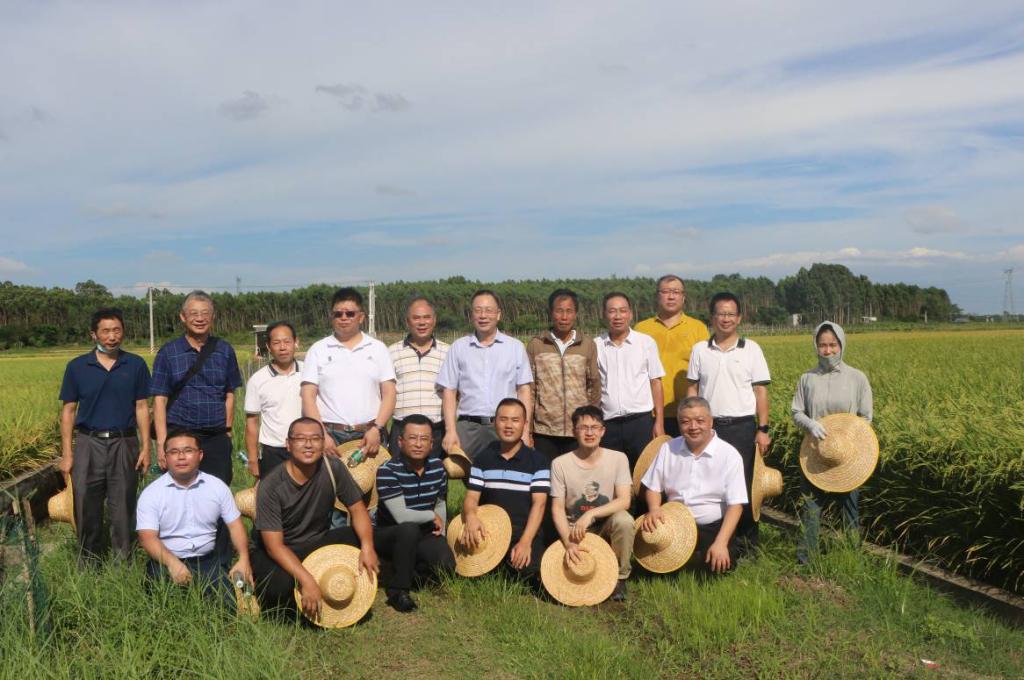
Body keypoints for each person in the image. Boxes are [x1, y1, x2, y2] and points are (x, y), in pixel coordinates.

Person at [250, 417, 380, 619]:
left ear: (323, 442)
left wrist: (368, 546)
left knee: (372, 537)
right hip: (280, 549)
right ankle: (255, 589)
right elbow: (274, 547)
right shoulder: (271, 485)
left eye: (315, 439)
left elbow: (357, 509)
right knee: (280, 588)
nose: (308, 444)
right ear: (288, 444)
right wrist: (307, 580)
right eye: (300, 439)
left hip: (316, 541)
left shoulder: (333, 468)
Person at [58, 308, 151, 562]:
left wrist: (146, 447)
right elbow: (68, 411)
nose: (112, 336)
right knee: (85, 502)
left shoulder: (135, 364)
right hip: (88, 442)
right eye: (106, 331)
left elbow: (142, 407)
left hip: (124, 442)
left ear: (123, 332)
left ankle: (123, 562)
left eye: (117, 330)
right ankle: (88, 561)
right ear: (94, 334)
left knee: (123, 504)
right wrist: (67, 453)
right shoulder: (77, 367)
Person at [686, 292, 770, 550]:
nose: (726, 319)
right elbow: (692, 389)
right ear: (712, 317)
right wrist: (691, 421)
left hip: (742, 427)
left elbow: (760, 391)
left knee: (744, 485)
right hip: (708, 429)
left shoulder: (751, 349)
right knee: (711, 484)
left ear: (739, 318)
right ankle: (714, 540)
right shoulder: (700, 350)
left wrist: (763, 428)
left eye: (731, 314)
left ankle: (747, 543)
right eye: (721, 314)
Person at [792, 321, 873, 564]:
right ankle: (806, 560)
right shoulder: (807, 378)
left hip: (848, 454)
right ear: (815, 346)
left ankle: (852, 557)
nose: (827, 351)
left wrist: (848, 437)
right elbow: (796, 412)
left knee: (849, 506)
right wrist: (810, 424)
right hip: (815, 451)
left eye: (833, 345)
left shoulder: (857, 378)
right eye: (822, 345)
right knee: (811, 507)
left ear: (842, 345)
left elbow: (866, 417)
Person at [136, 431, 253, 597]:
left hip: (207, 561)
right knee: (159, 601)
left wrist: (243, 558)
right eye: (174, 452)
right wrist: (173, 564)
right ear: (165, 457)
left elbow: (235, 526)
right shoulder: (152, 493)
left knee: (226, 605)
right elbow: (147, 538)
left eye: (188, 450)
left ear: (200, 455)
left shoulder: (217, 487)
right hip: (165, 560)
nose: (181, 457)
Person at [641, 397, 747, 574]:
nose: (693, 427)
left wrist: (721, 543)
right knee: (655, 572)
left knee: (716, 571)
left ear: (710, 421)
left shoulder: (729, 455)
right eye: (685, 422)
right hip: (672, 525)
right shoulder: (668, 448)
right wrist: (654, 509)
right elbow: (653, 487)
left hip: (712, 526)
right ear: (679, 424)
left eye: (700, 421)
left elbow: (736, 505)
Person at [151, 290, 242, 486]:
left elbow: (229, 394)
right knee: (178, 492)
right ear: (183, 317)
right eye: (193, 314)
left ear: (213, 316)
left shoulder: (225, 350)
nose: (200, 319)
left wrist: (227, 432)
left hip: (215, 437)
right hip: (180, 437)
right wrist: (162, 442)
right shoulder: (168, 352)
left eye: (205, 313)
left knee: (217, 491)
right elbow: (159, 400)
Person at [550, 405, 634, 601]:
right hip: (575, 532)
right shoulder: (560, 464)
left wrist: (591, 514)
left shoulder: (618, 459)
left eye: (594, 427)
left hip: (605, 526)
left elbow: (624, 500)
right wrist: (568, 542)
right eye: (583, 427)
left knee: (624, 520)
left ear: (603, 431)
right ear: (574, 431)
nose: (589, 433)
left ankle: (620, 577)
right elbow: (557, 508)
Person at [459, 398, 549, 581]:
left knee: (528, 573)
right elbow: (471, 498)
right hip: (489, 531)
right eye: (503, 419)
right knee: (475, 574)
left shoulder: (538, 461)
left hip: (523, 530)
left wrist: (525, 542)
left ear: (524, 424)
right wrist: (471, 517)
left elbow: (539, 505)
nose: (508, 426)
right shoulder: (483, 458)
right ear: (495, 422)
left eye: (515, 420)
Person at [438, 289, 533, 461]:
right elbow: (449, 391)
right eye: (478, 310)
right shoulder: (458, 347)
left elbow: (524, 390)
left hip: (505, 426)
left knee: (506, 472)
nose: (483, 316)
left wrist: (525, 431)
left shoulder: (515, 347)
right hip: (468, 428)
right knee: (466, 474)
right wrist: (450, 431)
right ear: (471, 315)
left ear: (498, 314)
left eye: (489, 310)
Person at [373, 414, 456, 612]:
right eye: (412, 438)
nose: (418, 444)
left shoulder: (438, 468)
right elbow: (401, 516)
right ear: (400, 442)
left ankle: (401, 570)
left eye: (424, 439)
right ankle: (398, 591)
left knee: (445, 565)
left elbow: (439, 503)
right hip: (390, 532)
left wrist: (441, 533)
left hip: (424, 531)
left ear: (431, 443)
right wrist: (431, 516)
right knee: (408, 529)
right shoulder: (387, 470)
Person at [301, 287, 396, 458]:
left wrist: (377, 428)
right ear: (331, 317)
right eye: (338, 314)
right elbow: (308, 396)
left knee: (373, 476)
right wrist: (321, 434)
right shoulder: (318, 350)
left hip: (370, 434)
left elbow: (389, 394)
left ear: (361, 317)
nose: (344, 318)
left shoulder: (378, 349)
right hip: (330, 436)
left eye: (350, 314)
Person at [526, 288, 601, 462]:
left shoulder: (587, 345)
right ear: (551, 313)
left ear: (576, 314)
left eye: (569, 311)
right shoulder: (537, 345)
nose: (564, 317)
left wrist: (591, 422)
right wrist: (528, 430)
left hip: (578, 429)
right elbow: (530, 389)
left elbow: (594, 385)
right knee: (546, 475)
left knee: (576, 475)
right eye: (559, 311)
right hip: (544, 431)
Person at [595, 292, 666, 470]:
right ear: (604, 315)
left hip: (640, 423)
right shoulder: (596, 345)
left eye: (623, 311)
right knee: (612, 474)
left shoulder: (645, 343)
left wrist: (659, 422)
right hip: (608, 424)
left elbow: (656, 382)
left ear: (631, 314)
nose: (618, 316)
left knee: (644, 473)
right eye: (612, 311)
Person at [635, 275, 707, 438]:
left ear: (683, 297)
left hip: (688, 413)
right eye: (666, 291)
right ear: (657, 296)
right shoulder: (642, 329)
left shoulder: (698, 328)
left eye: (676, 292)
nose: (671, 296)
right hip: (649, 413)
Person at [387, 298, 450, 458]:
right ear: (407, 321)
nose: (422, 322)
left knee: (435, 473)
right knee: (398, 473)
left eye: (427, 317)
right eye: (416, 318)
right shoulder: (391, 352)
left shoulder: (448, 352)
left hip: (436, 431)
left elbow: (455, 394)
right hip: (401, 431)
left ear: (434, 320)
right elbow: (385, 394)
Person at [243, 321, 303, 479]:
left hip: (306, 447)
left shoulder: (309, 372)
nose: (282, 347)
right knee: (274, 493)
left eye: (287, 341)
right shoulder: (257, 380)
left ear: (296, 342)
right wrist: (252, 458)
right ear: (268, 347)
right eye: (276, 343)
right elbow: (252, 422)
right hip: (273, 451)